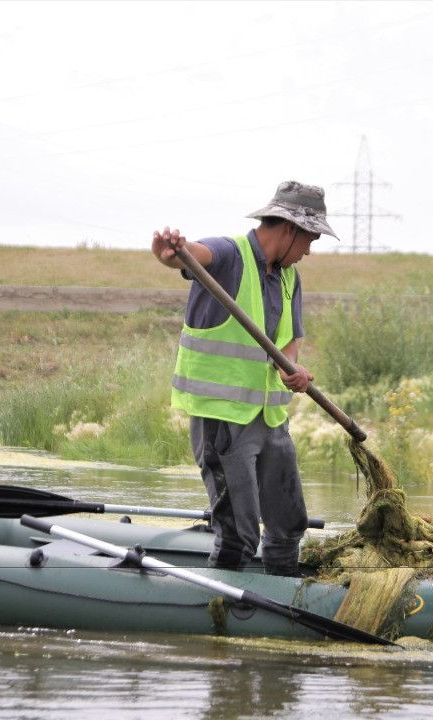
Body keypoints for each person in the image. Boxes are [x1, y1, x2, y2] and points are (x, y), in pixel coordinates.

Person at [151, 181, 338, 577]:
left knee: (288, 527)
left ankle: (286, 600)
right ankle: (220, 620)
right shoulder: (227, 255)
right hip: (224, 421)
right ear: (288, 228)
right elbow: (189, 256)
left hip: (271, 422)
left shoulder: (289, 278)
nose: (310, 249)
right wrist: (170, 252)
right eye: (310, 238)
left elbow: (288, 343)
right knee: (238, 534)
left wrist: (293, 370)